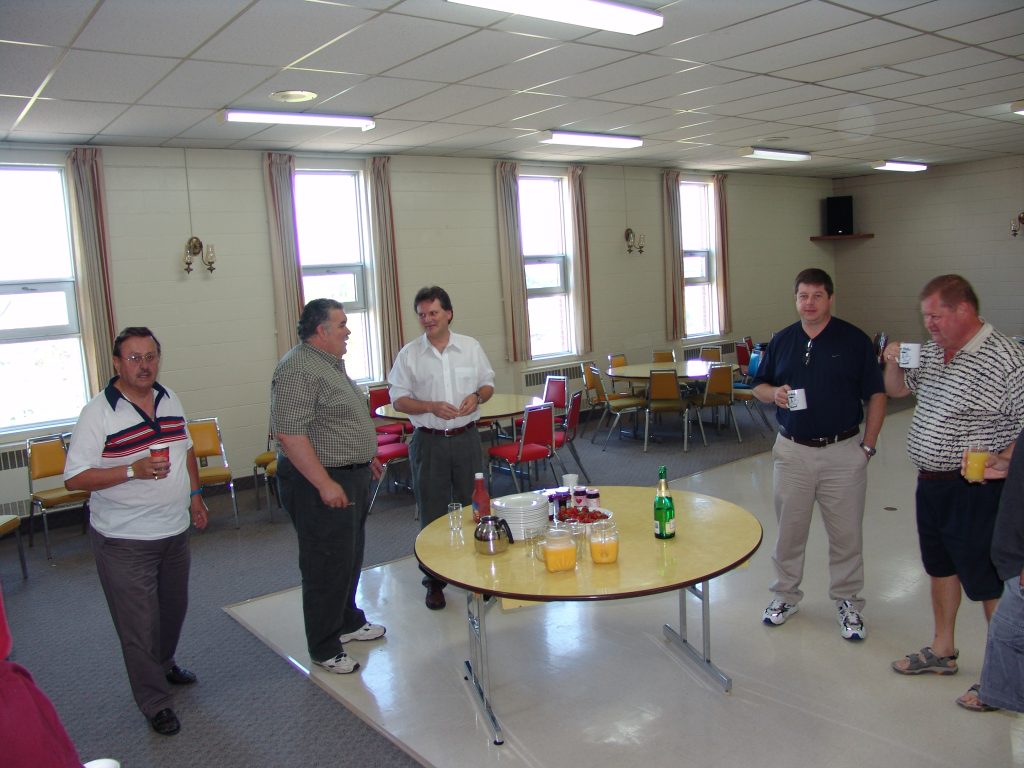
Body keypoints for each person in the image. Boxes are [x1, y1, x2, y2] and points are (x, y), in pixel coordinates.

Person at [882, 274, 1024, 707]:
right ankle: (943, 650)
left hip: (978, 488)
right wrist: (894, 361)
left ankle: (999, 680)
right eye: (925, 316)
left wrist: (1004, 458)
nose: (928, 324)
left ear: (964, 310)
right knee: (940, 566)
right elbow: (896, 390)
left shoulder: (1007, 358)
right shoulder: (931, 352)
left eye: (935, 316)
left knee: (987, 581)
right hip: (932, 484)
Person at [64, 327, 209, 736]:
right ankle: (154, 701)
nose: (144, 366)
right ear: (116, 363)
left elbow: (186, 450)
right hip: (124, 539)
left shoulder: (170, 397)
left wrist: (195, 496)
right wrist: (132, 470)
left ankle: (164, 664)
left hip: (174, 531)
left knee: (172, 611)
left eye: (150, 357)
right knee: (139, 625)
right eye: (134, 358)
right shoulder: (98, 413)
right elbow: (74, 478)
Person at [753, 268, 886, 640]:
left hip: (843, 452)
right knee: (789, 533)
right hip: (792, 452)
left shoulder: (854, 340)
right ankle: (785, 596)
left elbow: (876, 394)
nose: (809, 303)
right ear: (795, 299)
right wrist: (773, 393)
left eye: (817, 296)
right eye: (803, 296)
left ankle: (848, 603)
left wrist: (867, 446)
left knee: (846, 536)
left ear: (830, 298)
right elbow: (758, 384)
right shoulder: (782, 340)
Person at [271, 299, 385, 676]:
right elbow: (290, 434)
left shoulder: (329, 363)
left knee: (348, 555)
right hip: (318, 482)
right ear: (321, 331)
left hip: (349, 474)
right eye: (342, 324)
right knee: (324, 563)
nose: (348, 331)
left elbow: (336, 421)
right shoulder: (298, 368)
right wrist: (324, 483)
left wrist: (364, 457)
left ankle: (347, 621)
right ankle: (324, 646)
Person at [387, 286, 495, 610]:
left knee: (475, 508)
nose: (427, 320)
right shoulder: (409, 354)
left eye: (433, 313)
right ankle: (433, 582)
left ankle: (479, 576)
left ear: (448, 313)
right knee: (432, 513)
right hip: (429, 442)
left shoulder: (470, 347)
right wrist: (430, 406)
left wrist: (477, 396)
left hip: (466, 440)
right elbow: (398, 399)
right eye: (422, 315)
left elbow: (488, 383)